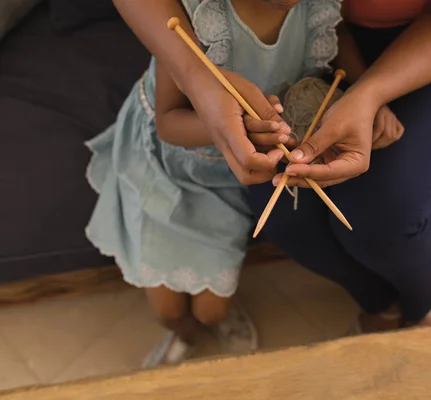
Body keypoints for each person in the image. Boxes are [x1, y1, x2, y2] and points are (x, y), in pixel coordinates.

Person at [111, 0, 431, 334]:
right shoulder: (198, 20)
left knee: (382, 209)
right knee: (283, 214)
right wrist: (203, 90)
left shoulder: (316, 8)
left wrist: (369, 93)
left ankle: (421, 305)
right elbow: (171, 117)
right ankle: (378, 303)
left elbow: (336, 34)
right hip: (212, 143)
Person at [87, 0, 345, 366]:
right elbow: (168, 123)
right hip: (166, 170)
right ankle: (184, 336)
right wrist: (231, 131)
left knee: (213, 312)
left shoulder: (316, 11)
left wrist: (361, 98)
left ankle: (209, 321)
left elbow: (331, 65)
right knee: (169, 312)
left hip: (226, 182)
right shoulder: (196, 15)